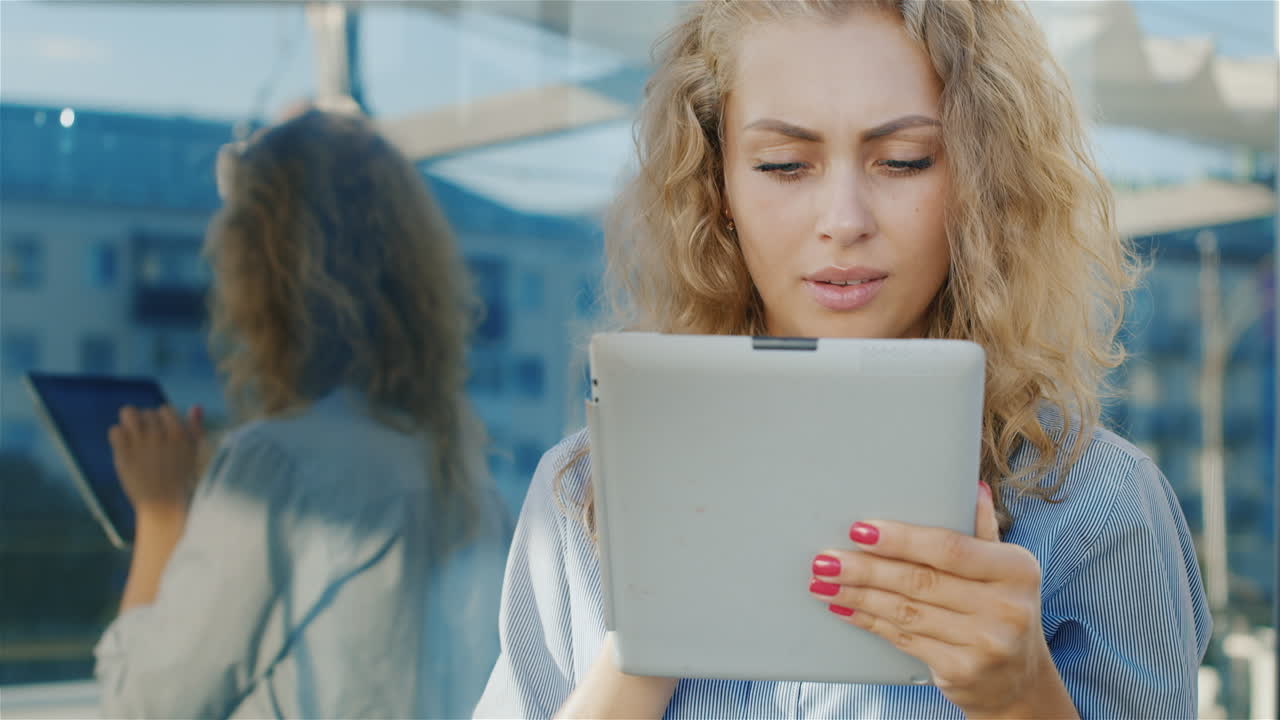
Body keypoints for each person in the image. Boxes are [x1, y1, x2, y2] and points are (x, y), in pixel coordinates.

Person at [474, 1, 1211, 718]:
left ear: (976, 181)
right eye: (786, 165)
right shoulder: (584, 497)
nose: (844, 222)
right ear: (717, 183)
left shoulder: (1097, 508)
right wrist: (644, 651)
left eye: (903, 161)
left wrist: (1019, 698)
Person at [97, 109, 509, 718]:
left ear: (260, 276)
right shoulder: (464, 472)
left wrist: (162, 516)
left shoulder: (276, 466)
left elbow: (141, 707)